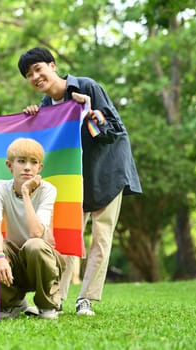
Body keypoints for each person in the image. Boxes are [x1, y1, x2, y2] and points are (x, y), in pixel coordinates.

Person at [18, 47, 142, 316]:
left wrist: (88, 113)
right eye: (29, 74)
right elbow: (43, 146)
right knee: (66, 237)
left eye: (38, 69)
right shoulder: (45, 107)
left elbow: (114, 130)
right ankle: (56, 299)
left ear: (52, 65)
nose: (36, 76)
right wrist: (33, 118)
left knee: (101, 236)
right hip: (76, 178)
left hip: (107, 171)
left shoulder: (86, 87)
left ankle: (85, 299)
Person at [0, 138, 65, 320]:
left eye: (33, 162)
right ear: (10, 165)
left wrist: (26, 193)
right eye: (21, 161)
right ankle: (11, 303)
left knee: (35, 245)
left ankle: (47, 304)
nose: (27, 167)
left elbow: (36, 234)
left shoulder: (48, 190)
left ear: (40, 168)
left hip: (42, 260)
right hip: (15, 260)